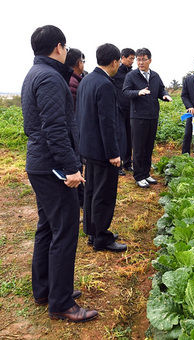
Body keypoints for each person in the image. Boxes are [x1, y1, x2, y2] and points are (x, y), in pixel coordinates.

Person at [21, 25, 97, 323]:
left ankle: (45, 290)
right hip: (52, 166)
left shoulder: (35, 73)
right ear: (58, 47)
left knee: (48, 227)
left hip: (39, 163)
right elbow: (55, 130)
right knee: (64, 231)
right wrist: (72, 169)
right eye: (65, 48)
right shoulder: (51, 77)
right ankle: (61, 303)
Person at [76, 43, 127, 252]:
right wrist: (113, 153)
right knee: (104, 195)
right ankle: (101, 238)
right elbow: (107, 122)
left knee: (91, 192)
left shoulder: (86, 80)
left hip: (88, 147)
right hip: (103, 150)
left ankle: (93, 231)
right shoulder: (105, 84)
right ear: (115, 62)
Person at [122, 48, 172, 188]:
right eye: (138, 59)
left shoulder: (155, 75)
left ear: (150, 60)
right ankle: (138, 176)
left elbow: (161, 89)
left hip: (152, 115)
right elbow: (125, 92)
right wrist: (138, 92)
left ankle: (146, 173)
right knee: (139, 147)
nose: (140, 62)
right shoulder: (131, 76)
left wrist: (165, 95)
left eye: (143, 59)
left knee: (149, 147)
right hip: (138, 116)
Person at [64, 48, 86, 207]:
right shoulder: (72, 83)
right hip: (72, 133)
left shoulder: (74, 79)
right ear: (79, 63)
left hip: (73, 132)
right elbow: (73, 112)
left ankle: (82, 202)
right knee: (75, 168)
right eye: (83, 61)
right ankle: (82, 203)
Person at [112, 48, 135, 176]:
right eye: (131, 58)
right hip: (118, 108)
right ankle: (118, 164)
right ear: (123, 58)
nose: (133, 61)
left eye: (133, 59)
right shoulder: (116, 72)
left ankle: (127, 163)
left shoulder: (132, 73)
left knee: (129, 136)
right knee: (119, 136)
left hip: (130, 108)